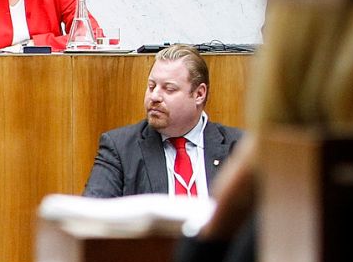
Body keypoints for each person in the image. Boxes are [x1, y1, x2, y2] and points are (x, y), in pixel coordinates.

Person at [82, 45, 244, 198]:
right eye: (152, 86)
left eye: (169, 89)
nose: (154, 97)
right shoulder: (120, 148)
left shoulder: (240, 148)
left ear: (199, 94)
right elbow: (90, 217)